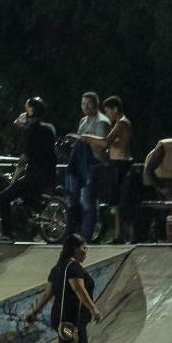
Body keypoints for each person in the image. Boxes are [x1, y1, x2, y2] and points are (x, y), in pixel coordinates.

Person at [24, 233, 103, 343]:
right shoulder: (73, 267)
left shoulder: (57, 268)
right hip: (71, 318)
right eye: (84, 248)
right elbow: (78, 288)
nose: (86, 251)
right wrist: (93, 308)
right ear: (75, 249)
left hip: (60, 318)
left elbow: (48, 294)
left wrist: (35, 312)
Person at [0, 96, 58, 240]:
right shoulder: (49, 128)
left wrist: (14, 179)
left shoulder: (30, 129)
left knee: (3, 198)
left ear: (31, 110)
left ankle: (6, 233)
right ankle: (34, 218)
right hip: (50, 174)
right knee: (25, 196)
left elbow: (23, 159)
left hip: (33, 176)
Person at [64, 92, 111, 241]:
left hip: (94, 164)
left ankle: (86, 236)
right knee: (75, 200)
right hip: (80, 165)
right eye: (82, 103)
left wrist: (83, 139)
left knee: (88, 201)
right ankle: (76, 233)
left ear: (96, 104)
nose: (84, 107)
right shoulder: (83, 121)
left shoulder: (102, 121)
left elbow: (101, 145)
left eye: (88, 103)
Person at [99, 96, 134, 243]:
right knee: (117, 204)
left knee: (122, 203)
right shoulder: (122, 123)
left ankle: (125, 235)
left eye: (107, 110)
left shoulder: (121, 123)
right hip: (118, 164)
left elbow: (106, 141)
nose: (107, 114)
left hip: (120, 165)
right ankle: (119, 235)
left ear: (115, 109)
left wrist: (85, 137)